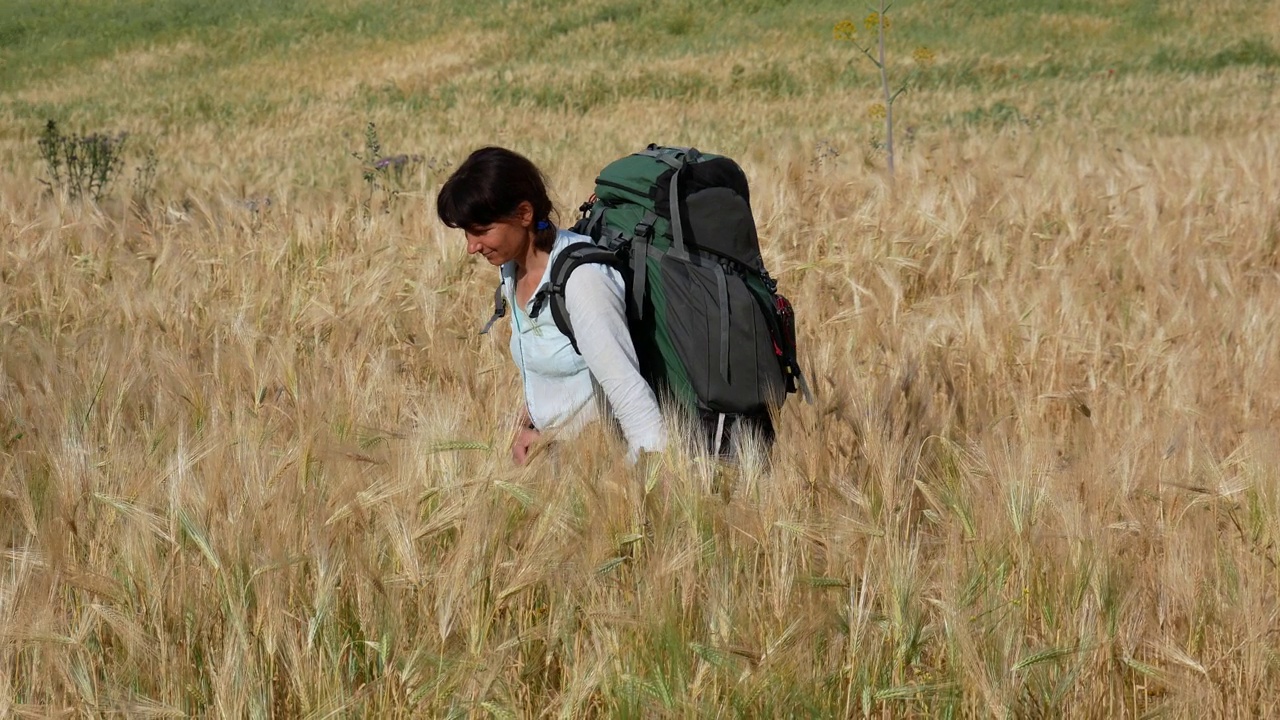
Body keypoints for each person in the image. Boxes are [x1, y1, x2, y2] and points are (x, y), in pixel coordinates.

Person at [437, 146, 666, 465]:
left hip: (601, 471)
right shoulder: (512, 270)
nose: (471, 247)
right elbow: (556, 371)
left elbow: (632, 400)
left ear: (524, 214)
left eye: (482, 232)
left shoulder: (582, 281)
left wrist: (644, 493)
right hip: (556, 467)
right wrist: (527, 423)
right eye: (466, 233)